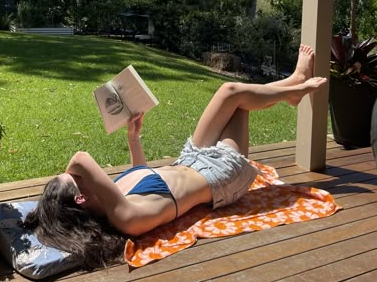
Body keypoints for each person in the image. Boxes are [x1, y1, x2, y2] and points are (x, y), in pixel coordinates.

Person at [23, 45, 326, 269]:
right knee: (236, 97)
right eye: (75, 179)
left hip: (191, 159)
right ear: (80, 200)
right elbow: (80, 157)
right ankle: (295, 87)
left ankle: (292, 87)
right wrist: (69, 175)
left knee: (229, 92)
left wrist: (133, 137)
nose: (79, 173)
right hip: (221, 175)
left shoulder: (113, 200)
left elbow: (142, 174)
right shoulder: (127, 218)